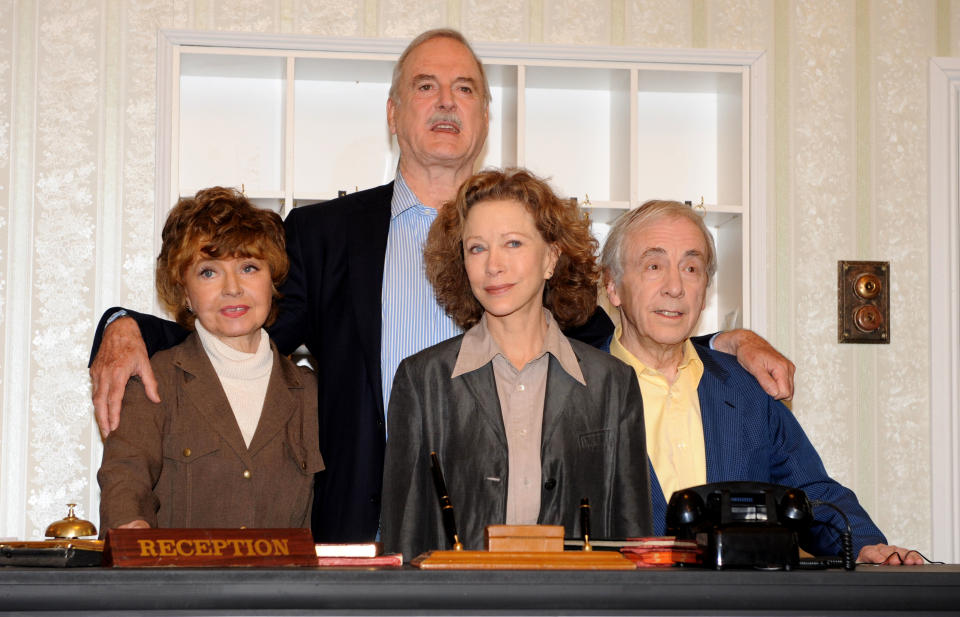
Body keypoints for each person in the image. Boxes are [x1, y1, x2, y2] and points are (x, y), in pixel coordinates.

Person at [89, 28, 794, 543]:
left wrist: (718, 340)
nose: (446, 101)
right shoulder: (324, 233)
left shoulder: (530, 241)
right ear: (394, 113)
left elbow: (607, 340)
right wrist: (126, 323)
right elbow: (238, 318)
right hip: (359, 526)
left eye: (465, 89)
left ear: (485, 118)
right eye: (425, 86)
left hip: (513, 536)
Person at [600, 199, 921, 565]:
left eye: (691, 268)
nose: (675, 287)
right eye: (653, 266)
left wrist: (864, 546)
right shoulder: (577, 389)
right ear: (613, 286)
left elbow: (811, 491)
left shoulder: (747, 387)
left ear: (705, 289)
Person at [381, 168, 651, 559]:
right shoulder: (423, 381)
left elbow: (632, 543)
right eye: (477, 248)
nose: (493, 265)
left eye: (512, 243)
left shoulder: (613, 383)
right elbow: (403, 539)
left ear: (551, 258)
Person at [97, 187, 323, 533]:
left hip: (285, 586)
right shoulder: (156, 378)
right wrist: (133, 540)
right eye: (209, 272)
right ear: (184, 292)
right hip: (181, 585)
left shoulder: (309, 391)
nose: (233, 288)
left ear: (272, 281)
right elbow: (125, 476)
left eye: (249, 267)